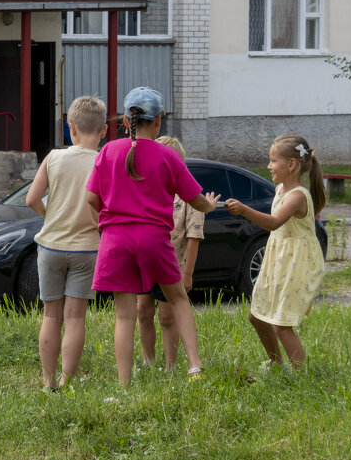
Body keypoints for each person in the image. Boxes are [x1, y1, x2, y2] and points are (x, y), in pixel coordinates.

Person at [85, 87, 219, 386]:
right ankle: (194, 367)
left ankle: (123, 384)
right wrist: (208, 205)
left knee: (124, 315)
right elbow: (196, 199)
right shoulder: (168, 156)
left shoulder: (108, 151)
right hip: (154, 239)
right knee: (178, 299)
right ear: (159, 121)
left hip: (115, 240)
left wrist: (108, 222)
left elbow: (91, 200)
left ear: (124, 120)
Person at [26, 95, 107, 390]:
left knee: (51, 314)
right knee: (75, 318)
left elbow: (32, 199)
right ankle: (67, 379)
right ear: (103, 131)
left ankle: (48, 382)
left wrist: (51, 216)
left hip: (51, 246)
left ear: (69, 128)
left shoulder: (54, 157)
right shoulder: (104, 162)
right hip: (87, 248)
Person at [225, 134, 326, 369]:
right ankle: (277, 364)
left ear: (291, 165)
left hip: (297, 263)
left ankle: (301, 377)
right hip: (278, 260)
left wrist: (244, 210)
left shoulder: (298, 196)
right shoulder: (281, 189)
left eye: (273, 161)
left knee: (282, 324)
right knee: (256, 316)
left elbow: (273, 222)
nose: (268, 166)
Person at [136, 135, 205, 371]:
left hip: (171, 266)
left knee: (167, 317)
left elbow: (194, 236)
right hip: (145, 262)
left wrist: (188, 273)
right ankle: (148, 360)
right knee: (142, 310)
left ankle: (170, 365)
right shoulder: (148, 188)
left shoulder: (188, 195)